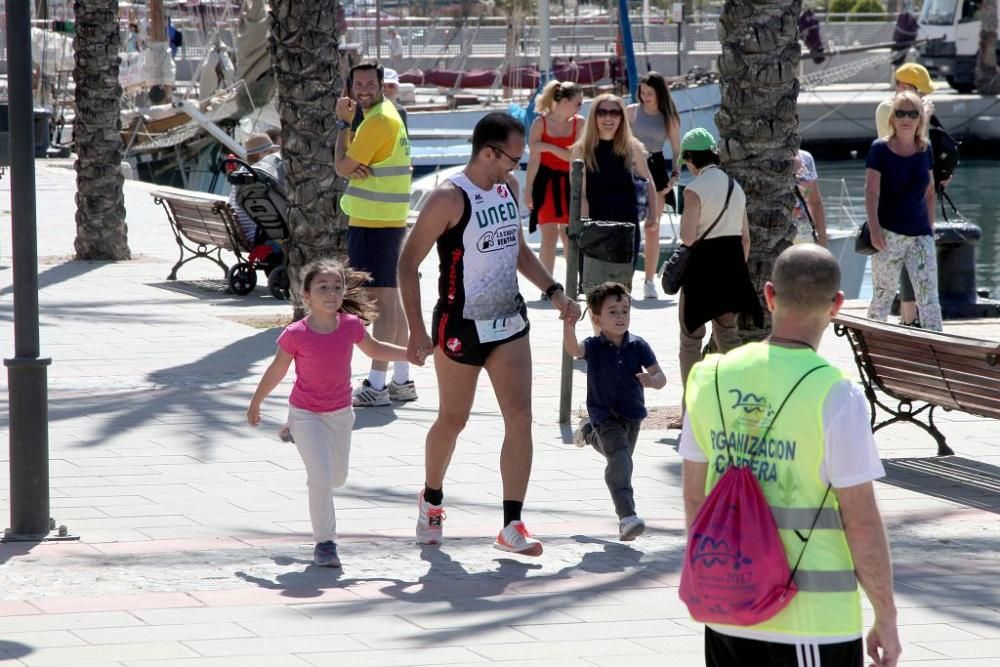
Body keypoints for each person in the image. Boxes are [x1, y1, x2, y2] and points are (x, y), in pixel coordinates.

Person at [679, 244, 900, 667]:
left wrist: (717, 578)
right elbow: (861, 518)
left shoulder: (710, 376)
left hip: (727, 611)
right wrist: (885, 614)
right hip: (810, 618)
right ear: (836, 304)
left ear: (768, 295)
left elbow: (694, 497)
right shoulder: (835, 394)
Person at [398, 112, 582, 556]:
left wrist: (554, 292)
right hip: (460, 324)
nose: (515, 168)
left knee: (520, 419)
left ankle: (512, 524)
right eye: (512, 159)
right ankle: (432, 498)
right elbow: (407, 264)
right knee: (453, 420)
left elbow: (516, 248)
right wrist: (417, 331)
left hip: (509, 321)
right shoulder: (448, 198)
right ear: (488, 152)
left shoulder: (508, 188)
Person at [247, 259, 415, 567]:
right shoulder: (295, 334)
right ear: (306, 296)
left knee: (338, 478)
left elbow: (376, 350)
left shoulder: (350, 325)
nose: (331, 293)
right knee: (321, 477)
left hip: (340, 413)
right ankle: (325, 543)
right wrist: (256, 403)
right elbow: (276, 371)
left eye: (337, 287)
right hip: (305, 412)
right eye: (322, 288)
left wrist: (409, 354)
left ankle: (306, 445)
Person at [335, 62, 416, 406]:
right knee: (391, 303)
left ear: (382, 85)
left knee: (383, 306)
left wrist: (343, 124)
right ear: (351, 87)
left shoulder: (378, 120)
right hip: (389, 220)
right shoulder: (388, 115)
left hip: (373, 223)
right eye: (358, 84)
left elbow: (341, 167)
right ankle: (401, 379)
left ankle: (378, 385)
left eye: (370, 83)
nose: (363, 89)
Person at [564, 282, 666, 541]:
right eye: (613, 311)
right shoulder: (594, 345)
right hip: (604, 413)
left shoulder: (638, 344)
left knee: (619, 457)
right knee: (620, 460)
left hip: (632, 415)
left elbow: (660, 376)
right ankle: (627, 517)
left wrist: (653, 381)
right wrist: (569, 326)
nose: (621, 317)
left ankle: (587, 434)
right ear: (597, 318)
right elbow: (575, 351)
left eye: (625, 310)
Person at [674, 128, 761, 415]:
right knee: (728, 335)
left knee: (690, 341)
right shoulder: (735, 187)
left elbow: (688, 238)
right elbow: (745, 238)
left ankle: (691, 412)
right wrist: (734, 267)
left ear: (690, 159)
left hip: (700, 272)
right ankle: (745, 400)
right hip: (730, 270)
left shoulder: (694, 189)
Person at [865, 90, 943, 332]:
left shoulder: (925, 149)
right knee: (882, 295)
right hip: (888, 235)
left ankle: (936, 345)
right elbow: (871, 192)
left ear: (920, 118)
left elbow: (930, 190)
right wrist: (875, 229)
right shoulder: (879, 149)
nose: (906, 118)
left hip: (920, 234)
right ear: (892, 118)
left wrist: (930, 226)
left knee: (929, 297)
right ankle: (872, 344)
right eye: (900, 113)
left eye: (912, 113)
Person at [574, 94, 657, 278]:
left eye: (614, 112)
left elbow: (647, 180)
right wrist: (584, 226)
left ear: (622, 116)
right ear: (594, 116)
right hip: (594, 224)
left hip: (627, 225)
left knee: (622, 286)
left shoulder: (632, 147)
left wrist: (653, 215)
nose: (608, 118)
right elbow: (580, 193)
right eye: (602, 112)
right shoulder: (582, 150)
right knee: (594, 287)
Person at [627, 72, 682, 299]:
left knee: (652, 227)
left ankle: (649, 281)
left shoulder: (668, 118)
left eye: (650, 93)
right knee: (628, 227)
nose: (645, 96)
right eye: (642, 92)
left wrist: (675, 176)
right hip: (630, 166)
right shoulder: (631, 111)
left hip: (657, 168)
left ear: (660, 93)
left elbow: (679, 151)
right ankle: (625, 279)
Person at [524, 80, 584, 285]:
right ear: (565, 101)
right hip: (545, 183)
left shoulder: (580, 123)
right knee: (548, 234)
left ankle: (572, 284)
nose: (580, 107)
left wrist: (546, 147)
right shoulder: (540, 122)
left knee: (569, 234)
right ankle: (546, 285)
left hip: (571, 182)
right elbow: (534, 157)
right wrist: (528, 188)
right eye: (577, 103)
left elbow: (573, 156)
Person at [228, 133, 286, 245]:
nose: (273, 156)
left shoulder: (242, 173)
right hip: (255, 235)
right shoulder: (258, 179)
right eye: (270, 152)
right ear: (261, 154)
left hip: (238, 233)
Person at [353, 68, 408, 133]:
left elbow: (404, 140)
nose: (387, 89)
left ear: (397, 88)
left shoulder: (400, 111)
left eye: (391, 86)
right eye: (383, 86)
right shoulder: (359, 110)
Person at [792, 149, 828, 246]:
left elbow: (815, 202)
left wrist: (822, 238)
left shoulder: (806, 158)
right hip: (775, 241)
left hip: (805, 238)